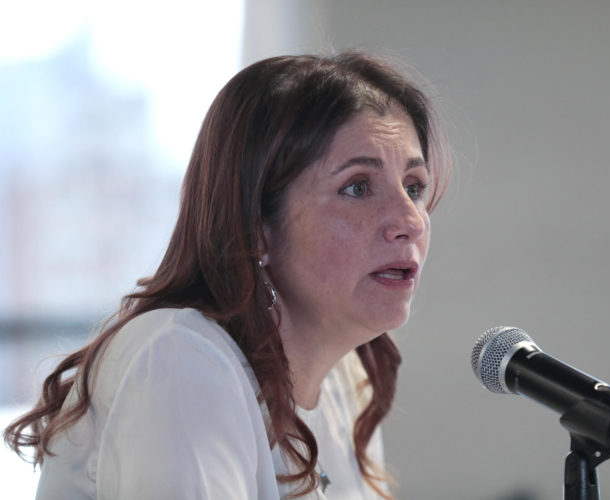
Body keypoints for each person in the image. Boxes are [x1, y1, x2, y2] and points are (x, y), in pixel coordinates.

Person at [4, 50, 451, 499]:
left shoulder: (347, 383)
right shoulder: (179, 359)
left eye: (413, 188)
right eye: (357, 187)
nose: (410, 220)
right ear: (255, 225)